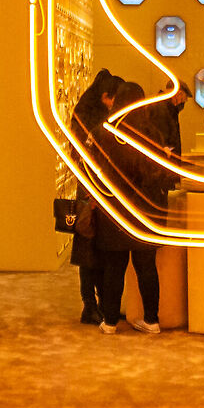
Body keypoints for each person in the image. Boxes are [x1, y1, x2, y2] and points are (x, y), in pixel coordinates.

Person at [90, 81, 164, 334]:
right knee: (147, 268)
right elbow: (159, 172)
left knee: (114, 267)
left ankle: (110, 321)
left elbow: (95, 170)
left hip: (115, 209)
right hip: (145, 209)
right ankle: (152, 320)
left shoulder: (104, 132)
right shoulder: (151, 132)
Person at [69, 71, 119, 324]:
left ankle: (96, 302)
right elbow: (86, 156)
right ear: (105, 97)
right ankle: (90, 304)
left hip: (91, 189)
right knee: (89, 251)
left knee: (94, 251)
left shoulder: (85, 114)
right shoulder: (90, 120)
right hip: (90, 192)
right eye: (113, 99)